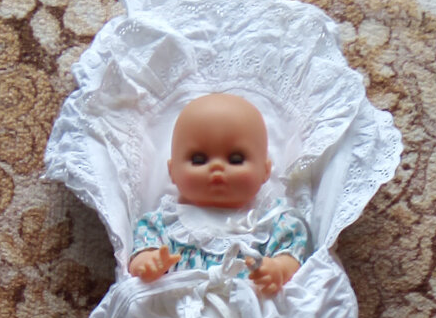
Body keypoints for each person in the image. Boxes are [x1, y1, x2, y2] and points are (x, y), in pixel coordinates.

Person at [128, 93, 309, 296]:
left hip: (248, 304)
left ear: (266, 171)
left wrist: (278, 269)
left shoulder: (270, 220)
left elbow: (293, 255)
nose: (217, 167)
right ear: (172, 171)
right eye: (198, 159)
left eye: (236, 159)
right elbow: (139, 256)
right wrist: (148, 263)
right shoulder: (164, 221)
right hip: (178, 305)